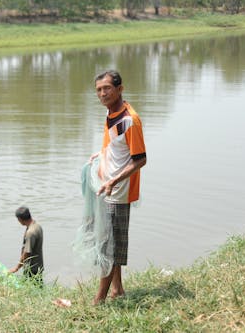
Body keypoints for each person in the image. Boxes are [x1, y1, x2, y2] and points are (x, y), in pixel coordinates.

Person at [89, 70, 147, 304]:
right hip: (106, 187)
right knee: (108, 240)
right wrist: (102, 154)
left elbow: (140, 159)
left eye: (107, 89)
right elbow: (115, 145)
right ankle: (118, 289)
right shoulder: (110, 112)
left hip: (118, 192)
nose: (102, 93)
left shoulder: (129, 120)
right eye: (99, 90)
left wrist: (114, 180)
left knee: (109, 247)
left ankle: (99, 299)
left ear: (120, 89)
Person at [9, 206, 44, 285]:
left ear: (20, 219)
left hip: (31, 268)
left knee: (32, 287)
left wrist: (17, 268)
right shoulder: (37, 226)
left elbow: (27, 252)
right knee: (38, 286)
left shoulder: (30, 232)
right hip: (39, 265)